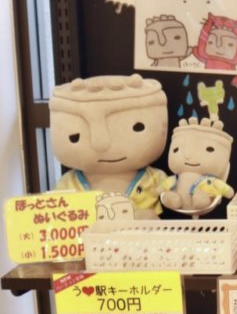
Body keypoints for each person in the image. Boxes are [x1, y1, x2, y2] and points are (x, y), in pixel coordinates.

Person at [50, 74, 168, 217]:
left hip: (141, 230)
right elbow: (53, 209)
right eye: (74, 137)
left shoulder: (152, 177)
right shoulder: (70, 182)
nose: (101, 144)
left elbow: (171, 189)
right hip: (89, 230)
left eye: (137, 128)